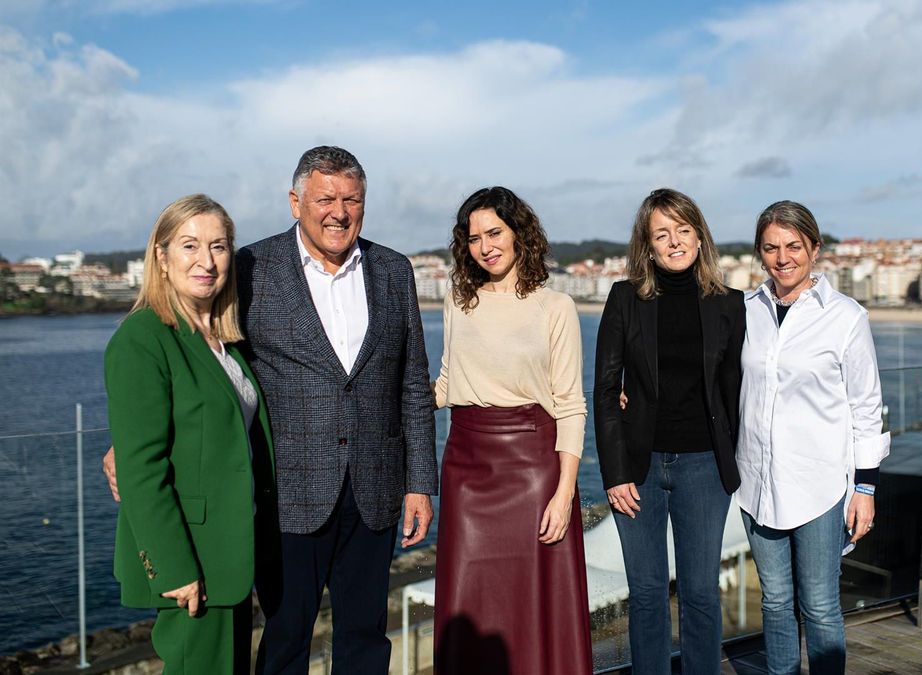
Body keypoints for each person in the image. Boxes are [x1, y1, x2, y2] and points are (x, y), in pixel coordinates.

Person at [106, 146, 438, 674]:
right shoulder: (248, 267)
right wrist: (128, 441)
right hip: (286, 491)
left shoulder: (395, 271)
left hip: (375, 489)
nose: (339, 211)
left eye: (352, 199)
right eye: (325, 197)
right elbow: (191, 352)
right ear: (294, 202)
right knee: (284, 640)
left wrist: (420, 480)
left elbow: (413, 384)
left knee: (366, 637)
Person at [105, 194, 275, 674]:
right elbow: (141, 471)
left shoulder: (224, 341)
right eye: (190, 245)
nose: (207, 260)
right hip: (194, 561)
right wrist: (175, 570)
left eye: (219, 246)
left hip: (231, 556)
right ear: (160, 256)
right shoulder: (142, 339)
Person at [433, 186, 592, 675]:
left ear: (520, 233)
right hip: (465, 467)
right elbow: (445, 383)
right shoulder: (458, 303)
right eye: (474, 237)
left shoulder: (556, 306)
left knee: (537, 605)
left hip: (533, 471)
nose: (486, 246)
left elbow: (570, 404)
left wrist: (565, 492)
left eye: (495, 232)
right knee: (468, 600)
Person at [594, 188, 745, 674]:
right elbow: (603, 390)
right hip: (637, 469)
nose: (674, 241)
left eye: (683, 230)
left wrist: (735, 465)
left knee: (701, 593)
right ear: (648, 244)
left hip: (704, 467)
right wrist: (615, 473)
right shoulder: (624, 299)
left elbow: (738, 391)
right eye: (663, 233)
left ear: (699, 237)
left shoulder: (730, 305)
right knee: (647, 594)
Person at [736, 200, 890, 675]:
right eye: (771, 247)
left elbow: (867, 407)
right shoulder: (745, 311)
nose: (783, 257)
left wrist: (865, 487)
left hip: (819, 485)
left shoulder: (847, 318)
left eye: (793, 246)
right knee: (777, 602)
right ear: (760, 254)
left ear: (815, 249)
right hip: (755, 484)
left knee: (820, 605)